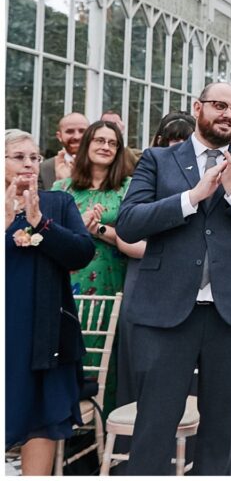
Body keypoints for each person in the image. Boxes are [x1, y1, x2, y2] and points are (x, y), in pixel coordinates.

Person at [115, 82, 231, 474]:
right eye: (220, 105)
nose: (228, 114)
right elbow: (129, 222)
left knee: (222, 427)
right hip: (167, 310)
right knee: (154, 423)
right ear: (198, 107)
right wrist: (190, 198)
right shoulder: (158, 160)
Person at [5, 129, 94, 475]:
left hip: (42, 338)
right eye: (18, 157)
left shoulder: (58, 203)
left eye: (34, 157)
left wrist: (40, 223)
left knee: (40, 421)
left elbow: (82, 252)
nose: (28, 164)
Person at [52, 120, 144, 413]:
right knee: (67, 347)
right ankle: (65, 430)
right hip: (68, 282)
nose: (105, 147)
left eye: (112, 143)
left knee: (109, 353)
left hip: (112, 281)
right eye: (99, 140)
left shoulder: (129, 189)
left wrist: (98, 230)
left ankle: (105, 428)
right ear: (87, 144)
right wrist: (78, 229)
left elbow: (135, 238)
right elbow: (50, 234)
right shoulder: (61, 188)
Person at [117, 112, 196, 413]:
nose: (176, 145)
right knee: (141, 354)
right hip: (144, 274)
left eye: (184, 139)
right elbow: (127, 232)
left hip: (188, 277)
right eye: (170, 139)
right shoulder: (148, 172)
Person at [38, 112, 88, 190]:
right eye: (70, 131)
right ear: (59, 136)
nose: (77, 137)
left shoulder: (102, 166)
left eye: (82, 131)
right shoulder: (44, 169)